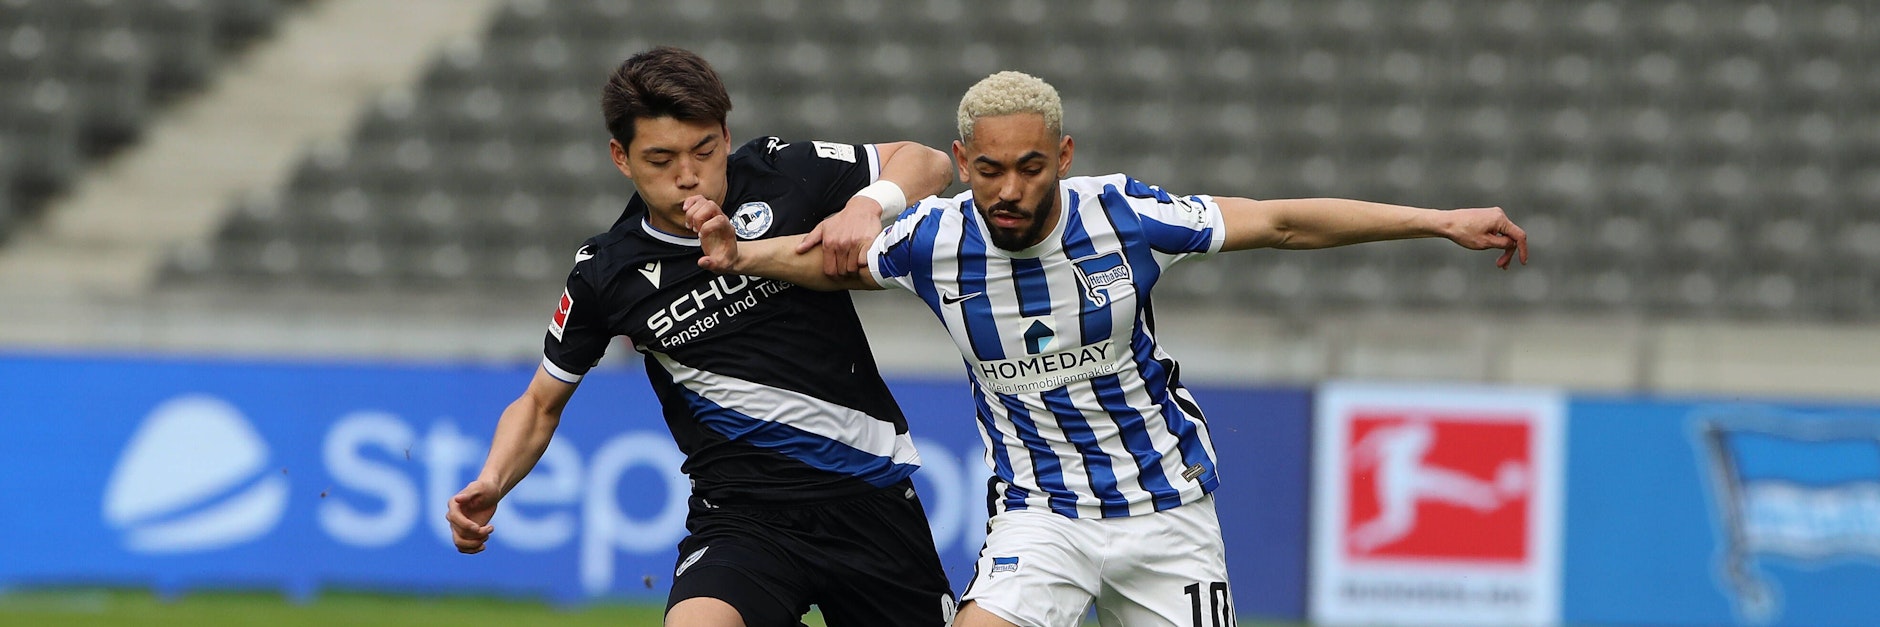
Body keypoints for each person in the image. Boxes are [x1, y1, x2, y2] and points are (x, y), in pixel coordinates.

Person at [684, 70, 1529, 627]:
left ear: (1065, 156)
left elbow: (1280, 220)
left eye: (1029, 166)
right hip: (1041, 513)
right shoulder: (933, 239)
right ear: (961, 162)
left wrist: (1437, 220)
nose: (1008, 190)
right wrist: (737, 255)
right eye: (987, 170)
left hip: (1167, 512)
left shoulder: (1124, 216)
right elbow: (829, 261)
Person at [443, 46, 960, 627]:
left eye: (704, 150)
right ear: (621, 157)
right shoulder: (605, 272)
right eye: (660, 158)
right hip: (742, 518)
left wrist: (869, 205)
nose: (688, 174)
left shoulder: (780, 171)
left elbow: (930, 162)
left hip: (871, 500)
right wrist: (492, 480)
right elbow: (540, 403)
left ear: (725, 134)